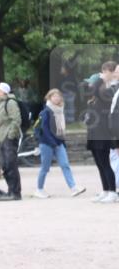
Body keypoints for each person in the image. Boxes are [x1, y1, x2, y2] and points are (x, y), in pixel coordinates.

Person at [34, 89, 86, 199]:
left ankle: (73, 188)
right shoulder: (46, 111)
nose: (57, 98)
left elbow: (60, 129)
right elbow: (45, 129)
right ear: (49, 98)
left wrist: (61, 142)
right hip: (47, 143)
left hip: (58, 143)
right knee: (45, 168)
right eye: (54, 96)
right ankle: (39, 189)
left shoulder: (60, 110)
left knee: (65, 165)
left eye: (58, 96)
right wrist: (53, 143)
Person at [85, 62, 118, 203]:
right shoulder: (97, 96)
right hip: (94, 133)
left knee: (106, 164)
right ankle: (105, 190)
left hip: (104, 133)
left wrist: (102, 79)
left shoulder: (109, 91)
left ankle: (112, 191)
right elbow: (89, 91)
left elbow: (95, 90)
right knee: (100, 163)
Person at [0, 82, 23, 201]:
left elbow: (16, 119)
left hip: (8, 138)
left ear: (3, 91)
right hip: (2, 138)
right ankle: (10, 191)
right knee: (5, 165)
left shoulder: (10, 102)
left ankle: (15, 193)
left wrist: (10, 135)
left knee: (11, 164)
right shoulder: (1, 103)